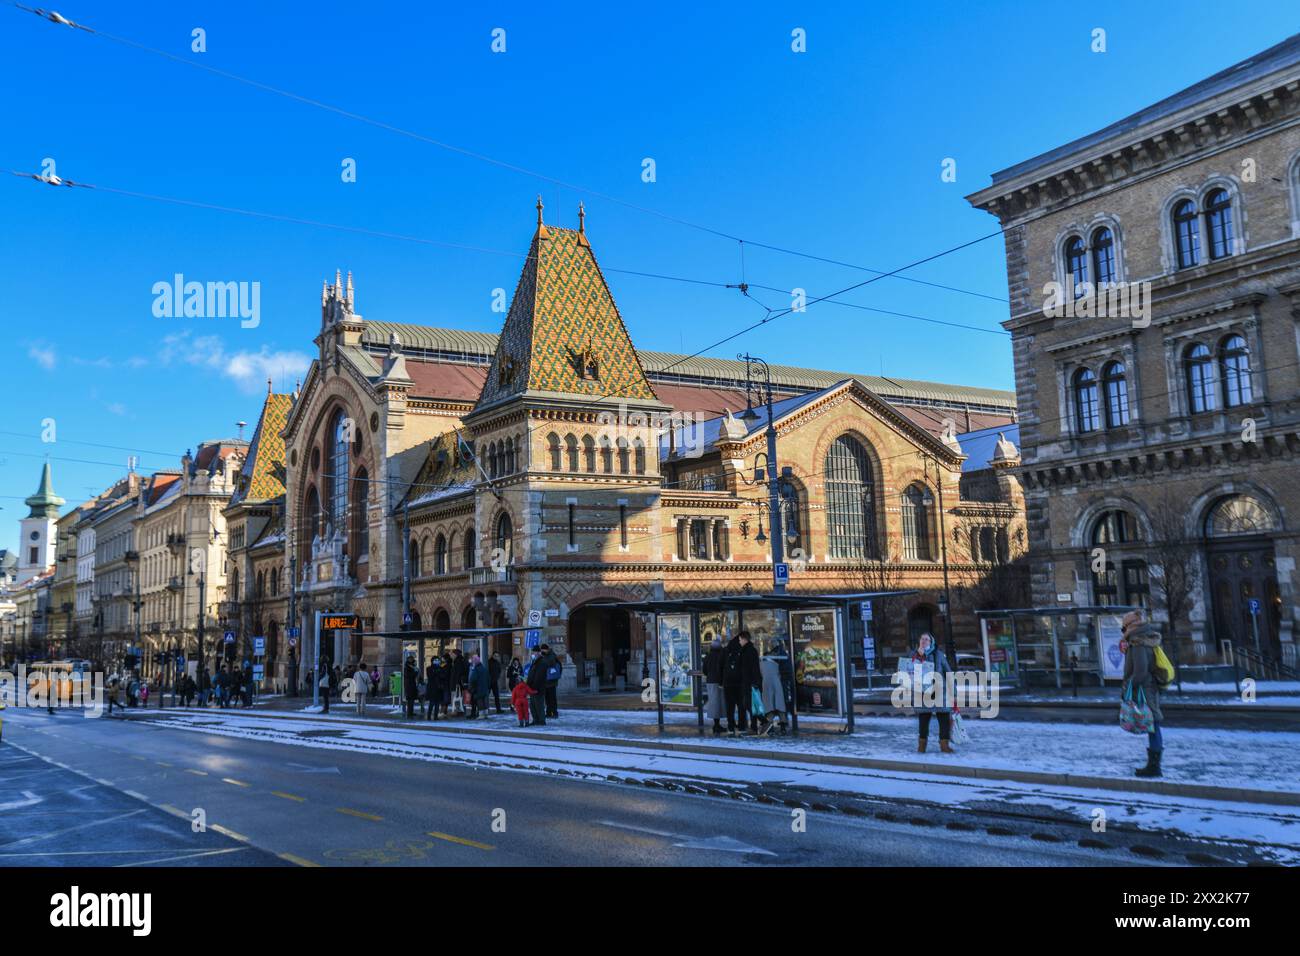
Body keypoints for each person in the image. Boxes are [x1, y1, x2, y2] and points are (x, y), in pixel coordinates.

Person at [1121, 609, 1166, 778]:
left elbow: (1140, 672)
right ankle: (1154, 765)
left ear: (1130, 626)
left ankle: (1154, 767)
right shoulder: (1148, 639)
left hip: (1144, 690)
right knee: (1153, 725)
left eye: (1124, 627)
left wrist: (1128, 688)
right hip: (1151, 688)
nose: (1123, 630)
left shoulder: (1138, 643)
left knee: (1153, 726)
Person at [912, 633, 953, 753]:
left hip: (940, 691)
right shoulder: (914, 655)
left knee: (944, 718)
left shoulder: (939, 655)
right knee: (924, 719)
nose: (924, 641)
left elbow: (948, 672)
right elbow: (908, 671)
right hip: (923, 692)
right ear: (919, 641)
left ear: (931, 642)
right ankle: (922, 745)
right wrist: (918, 656)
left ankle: (944, 745)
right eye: (922, 639)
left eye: (927, 639)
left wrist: (953, 691)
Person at [757, 640, 790, 736]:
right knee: (780, 704)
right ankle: (782, 725)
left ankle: (769, 725)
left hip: (766, 684)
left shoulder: (762, 661)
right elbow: (785, 670)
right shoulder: (779, 657)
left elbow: (761, 673)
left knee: (769, 705)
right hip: (778, 683)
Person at [736, 631, 762, 735]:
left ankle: (762, 723)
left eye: (740, 640)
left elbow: (751, 668)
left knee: (749, 705)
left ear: (744, 639)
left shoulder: (747, 651)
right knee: (751, 705)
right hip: (750, 682)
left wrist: (754, 682)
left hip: (749, 682)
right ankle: (755, 726)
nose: (739, 642)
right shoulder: (750, 650)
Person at [703, 636, 726, 735]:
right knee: (721, 702)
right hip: (720, 681)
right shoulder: (722, 655)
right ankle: (718, 725)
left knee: (714, 702)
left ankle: (716, 724)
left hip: (710, 681)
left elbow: (705, 670)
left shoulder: (708, 656)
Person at [525, 649, 548, 726]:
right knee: (533, 705)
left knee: (539, 705)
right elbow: (532, 673)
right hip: (532, 687)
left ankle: (541, 720)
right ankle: (535, 720)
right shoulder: (535, 661)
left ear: (538, 653)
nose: (533, 654)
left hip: (538, 688)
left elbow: (539, 677)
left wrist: (533, 686)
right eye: (533, 652)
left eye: (535, 652)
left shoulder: (542, 662)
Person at [540, 644, 562, 719]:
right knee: (547, 698)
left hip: (551, 682)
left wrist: (543, 657)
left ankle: (554, 712)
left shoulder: (551, 655)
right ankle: (549, 712)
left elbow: (549, 663)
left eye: (543, 650)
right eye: (541, 650)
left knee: (552, 698)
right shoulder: (545, 656)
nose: (542, 651)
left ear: (547, 649)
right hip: (546, 681)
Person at [468, 654, 490, 719]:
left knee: (479, 701)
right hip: (485, 688)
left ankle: (481, 715)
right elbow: (489, 678)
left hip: (478, 688)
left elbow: (472, 679)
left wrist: (471, 687)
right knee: (484, 700)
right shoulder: (484, 668)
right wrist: (488, 687)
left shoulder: (475, 669)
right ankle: (485, 714)